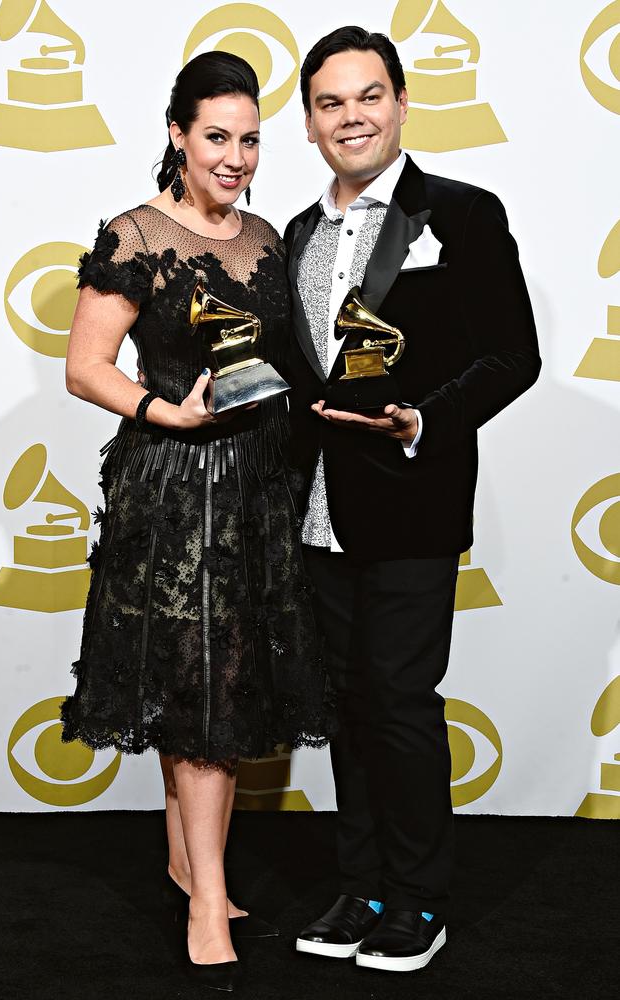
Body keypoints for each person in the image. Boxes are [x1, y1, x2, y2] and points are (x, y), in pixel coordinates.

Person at [60, 51, 333, 992]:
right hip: (173, 488)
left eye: (250, 139)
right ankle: (209, 900)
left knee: (214, 681)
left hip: (257, 490)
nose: (235, 157)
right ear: (177, 134)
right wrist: (166, 412)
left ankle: (187, 860)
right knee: (200, 686)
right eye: (217, 137)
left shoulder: (265, 237)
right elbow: (87, 366)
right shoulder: (134, 234)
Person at [286, 27, 541, 973]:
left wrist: (421, 421)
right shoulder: (301, 233)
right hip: (314, 510)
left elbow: (513, 356)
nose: (351, 115)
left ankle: (420, 899)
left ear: (400, 103)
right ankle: (364, 887)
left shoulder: (463, 214)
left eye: (368, 96)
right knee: (347, 707)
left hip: (412, 500)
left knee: (397, 701)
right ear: (309, 123)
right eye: (329, 102)